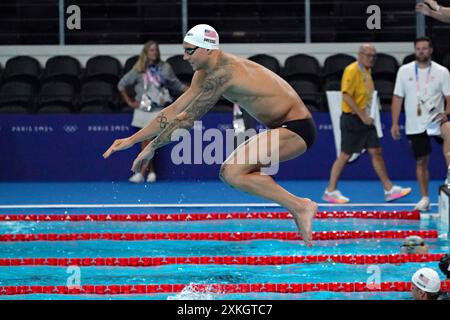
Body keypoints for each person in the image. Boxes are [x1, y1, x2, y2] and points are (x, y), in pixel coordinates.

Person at [103, 24, 318, 246]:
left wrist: (151, 147)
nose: (184, 57)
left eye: (189, 50)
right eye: (184, 50)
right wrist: (133, 139)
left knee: (232, 172)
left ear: (208, 49)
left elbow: (186, 120)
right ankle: (299, 207)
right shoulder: (203, 74)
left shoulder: (224, 73)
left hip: (297, 128)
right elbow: (174, 110)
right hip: (280, 127)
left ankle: (301, 206)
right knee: (230, 174)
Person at [322, 44, 411, 204]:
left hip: (366, 119)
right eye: (368, 55)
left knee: (376, 152)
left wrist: (367, 116)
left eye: (373, 56)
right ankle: (330, 191)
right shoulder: (352, 70)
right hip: (352, 119)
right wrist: (362, 116)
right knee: (345, 155)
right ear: (360, 55)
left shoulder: (367, 72)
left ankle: (389, 189)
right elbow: (346, 95)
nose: (371, 58)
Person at [391, 37, 450, 211]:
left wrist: (446, 114)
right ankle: (425, 198)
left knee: (449, 132)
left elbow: (449, 97)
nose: (421, 51)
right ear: (415, 50)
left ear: (431, 50)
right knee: (421, 161)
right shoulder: (404, 71)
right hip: (415, 124)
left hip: (437, 121)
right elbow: (397, 97)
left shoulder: (442, 71)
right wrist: (394, 123)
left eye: (425, 48)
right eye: (418, 48)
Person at [118, 40, 188, 183]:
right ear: (145, 52)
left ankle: (141, 173)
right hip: (142, 110)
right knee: (146, 142)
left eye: (156, 50)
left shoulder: (165, 67)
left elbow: (176, 84)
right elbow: (121, 85)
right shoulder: (138, 69)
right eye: (151, 50)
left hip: (158, 110)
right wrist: (130, 102)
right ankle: (151, 173)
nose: (154, 52)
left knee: (149, 141)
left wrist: (192, 90)